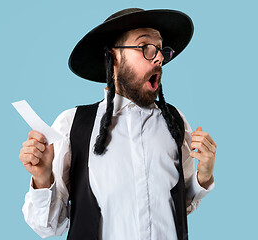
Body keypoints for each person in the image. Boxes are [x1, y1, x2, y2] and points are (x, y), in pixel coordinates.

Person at [19, 8, 217, 240]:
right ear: (113, 57)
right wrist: (43, 178)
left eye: (161, 49)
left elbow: (179, 206)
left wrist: (203, 175)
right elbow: (50, 227)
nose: (159, 57)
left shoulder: (175, 122)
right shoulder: (73, 125)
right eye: (145, 47)